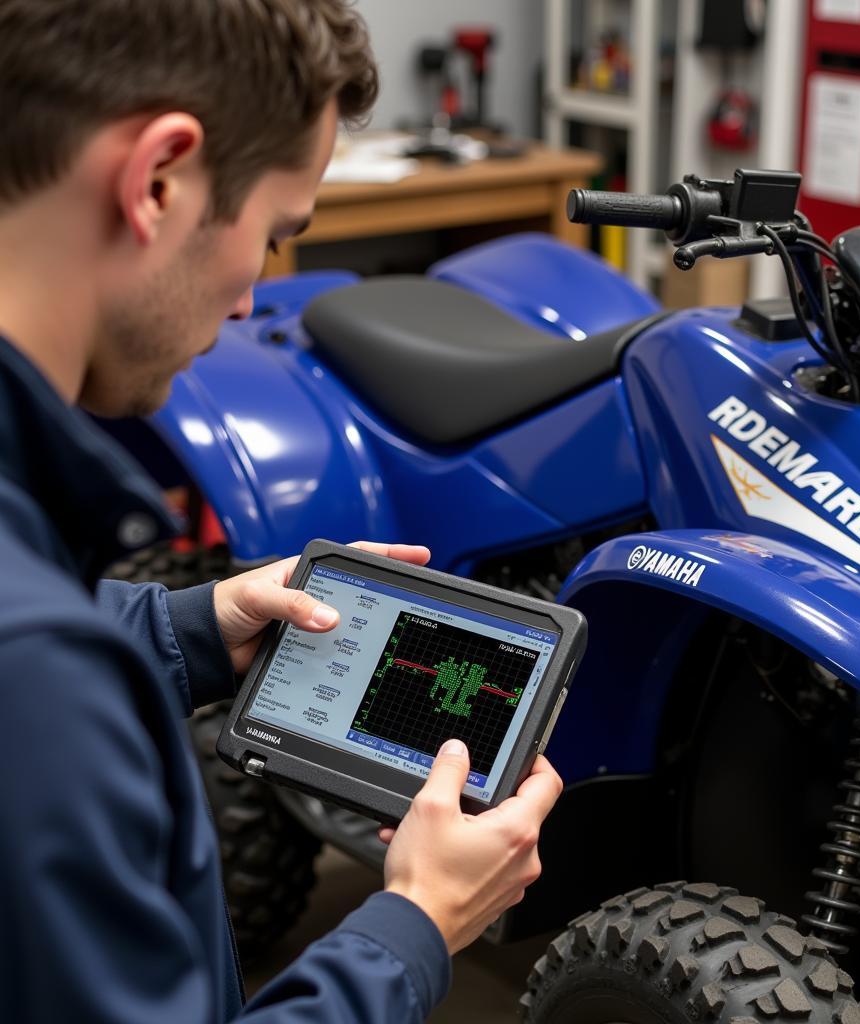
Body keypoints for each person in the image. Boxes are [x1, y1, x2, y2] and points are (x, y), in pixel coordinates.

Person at [0, 1, 563, 1021]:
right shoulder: (40, 675)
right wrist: (418, 922)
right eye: (272, 233)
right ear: (158, 181)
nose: (249, 300)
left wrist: (188, 627)